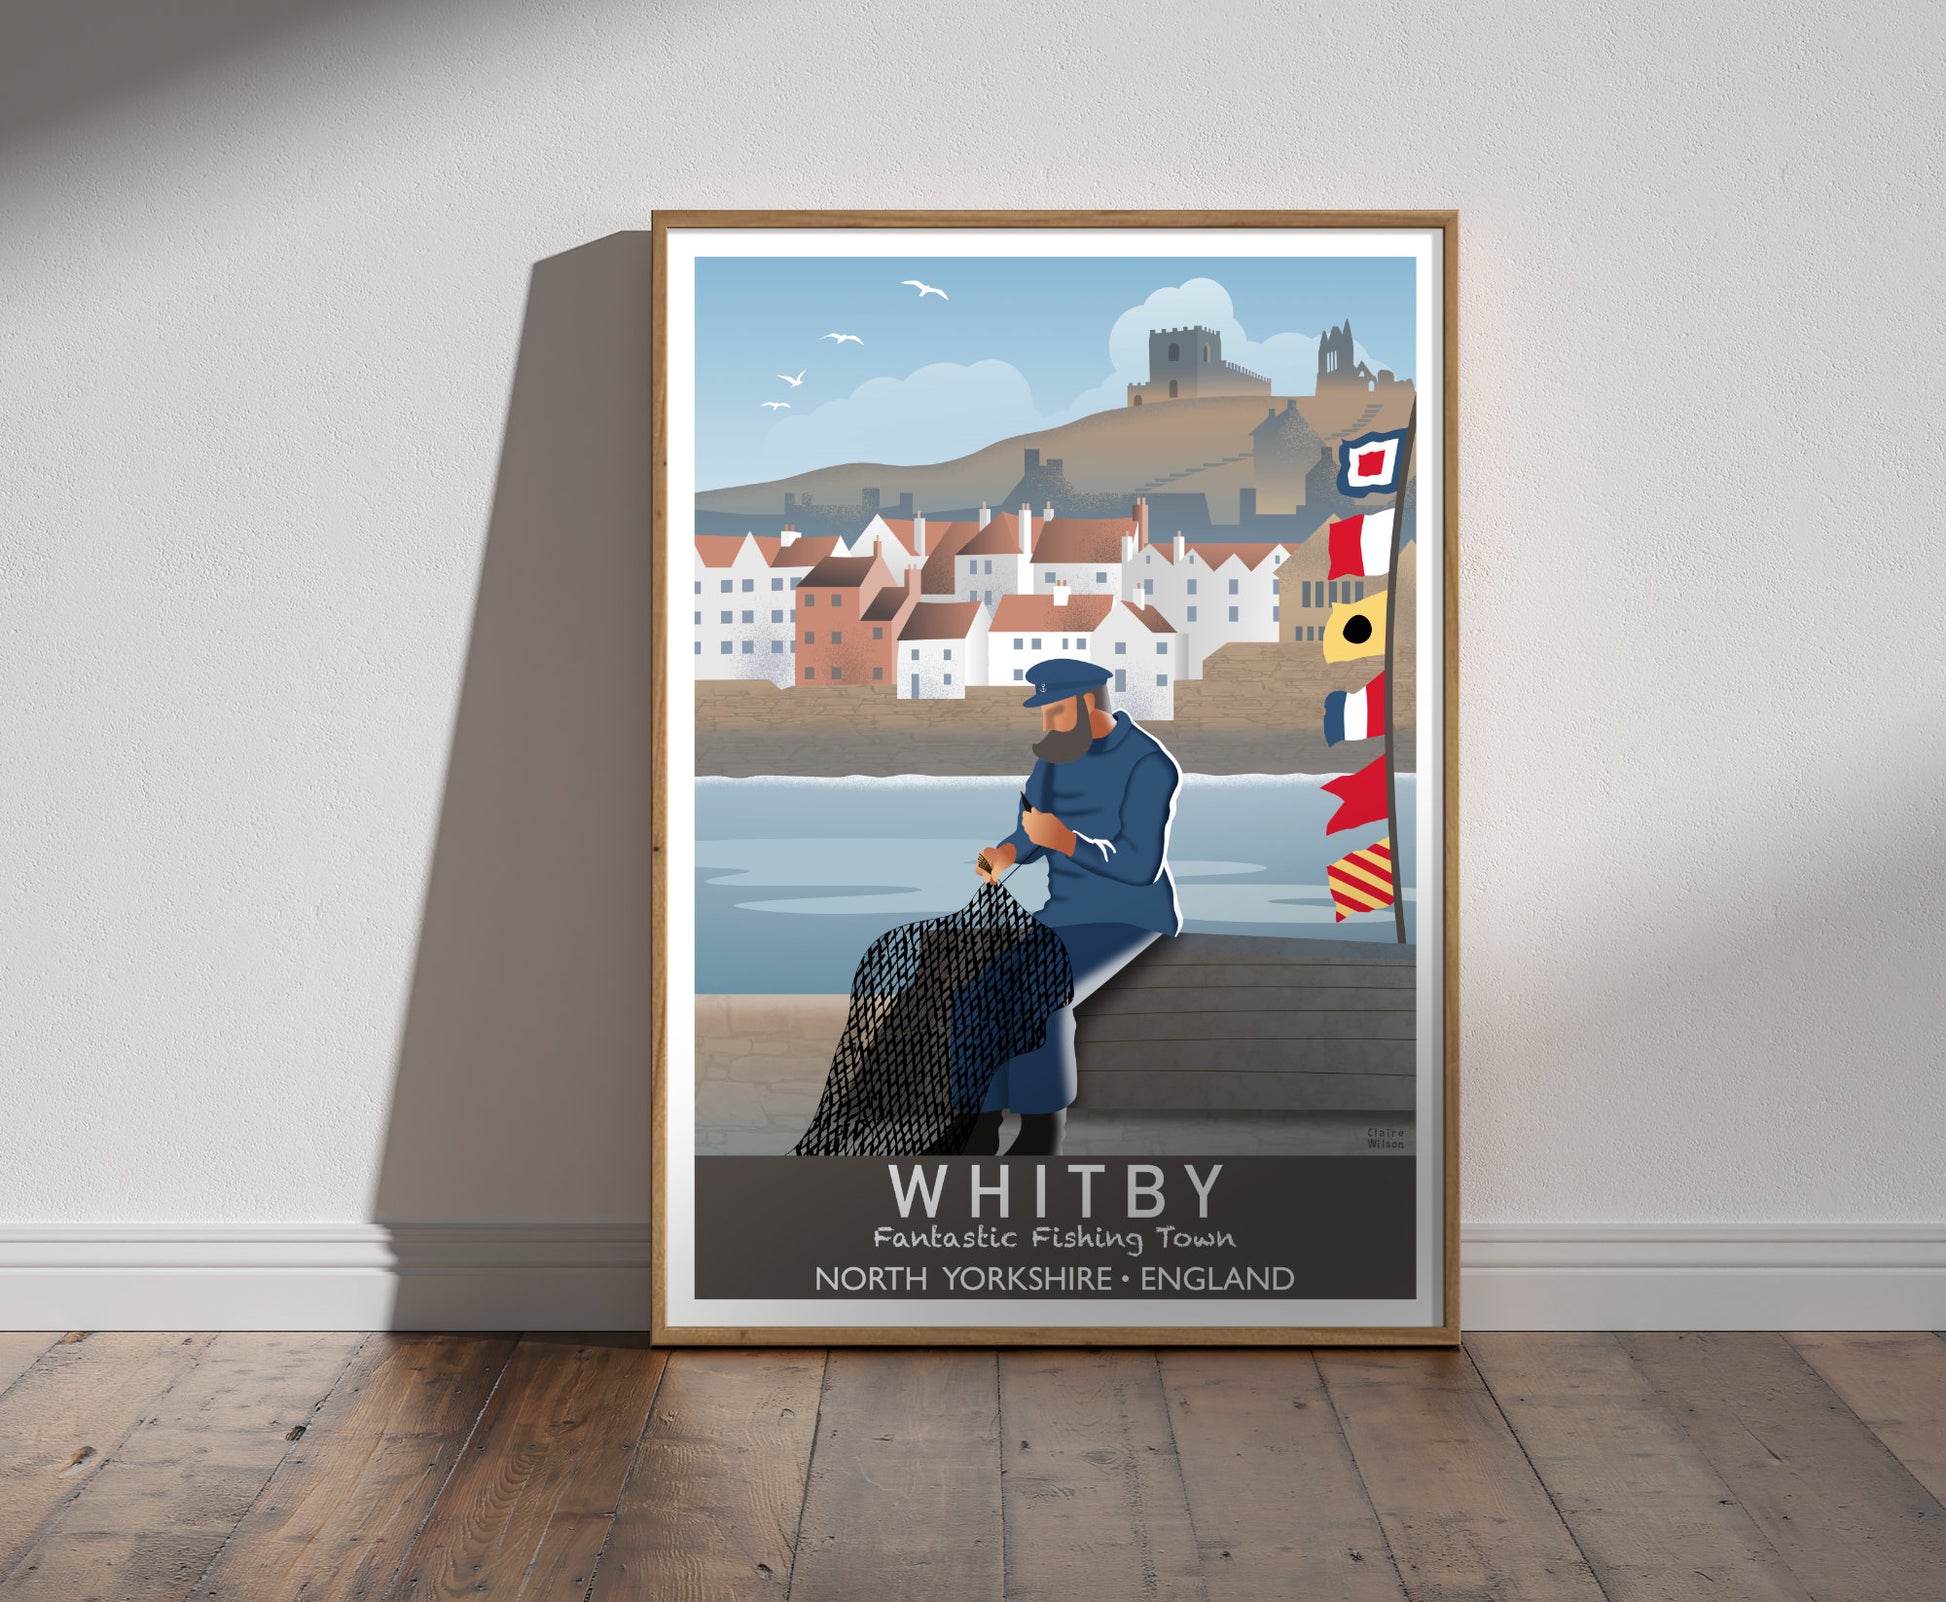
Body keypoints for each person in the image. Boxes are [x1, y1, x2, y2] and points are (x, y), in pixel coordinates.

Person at [963, 657, 1182, 1155]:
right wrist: (1006, 854)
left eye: (1055, 711)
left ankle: (1042, 1131)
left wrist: (1066, 842)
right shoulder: (1054, 758)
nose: (1046, 725)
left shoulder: (1150, 764)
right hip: (1062, 912)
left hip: (1130, 915)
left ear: (1087, 703)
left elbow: (1139, 866)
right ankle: (980, 1121)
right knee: (977, 989)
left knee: (1042, 988)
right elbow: (1031, 831)